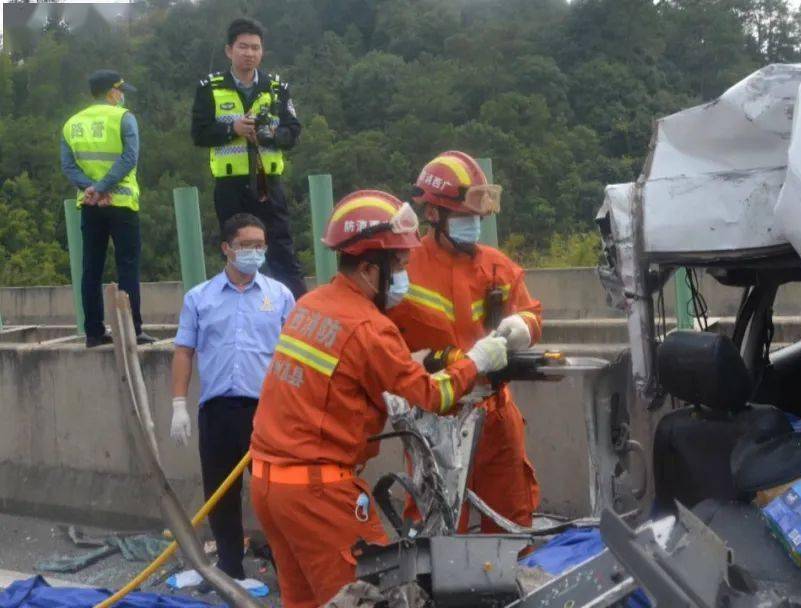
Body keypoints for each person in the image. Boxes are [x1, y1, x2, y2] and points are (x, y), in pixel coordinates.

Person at [249, 190, 509, 608]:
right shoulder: (371, 327)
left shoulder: (311, 305)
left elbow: (343, 373)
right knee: (376, 597)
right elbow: (433, 396)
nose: (406, 275)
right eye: (400, 266)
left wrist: (406, 363)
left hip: (269, 486)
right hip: (320, 494)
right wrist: (477, 360)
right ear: (370, 269)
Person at [387, 151, 542, 532]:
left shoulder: (495, 264)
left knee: (510, 510)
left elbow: (531, 312)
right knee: (433, 515)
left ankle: (512, 583)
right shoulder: (405, 269)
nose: (473, 225)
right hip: (437, 412)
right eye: (464, 218)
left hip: (495, 410)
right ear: (434, 215)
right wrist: (434, 361)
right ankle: (430, 587)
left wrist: (522, 326)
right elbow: (385, 344)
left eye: (476, 219)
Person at [169, 213, 294, 586]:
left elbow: (293, 355)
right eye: (246, 245)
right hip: (219, 409)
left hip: (267, 410)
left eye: (260, 245)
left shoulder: (280, 295)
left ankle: (288, 567)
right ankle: (229, 567)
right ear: (227, 248)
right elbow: (184, 351)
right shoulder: (200, 298)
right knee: (220, 492)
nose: (254, 252)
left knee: (276, 492)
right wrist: (179, 405)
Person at [190, 17, 307, 299]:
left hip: (268, 183)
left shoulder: (276, 87)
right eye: (243, 47)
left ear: (262, 51)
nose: (250, 53)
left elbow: (293, 132)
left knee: (281, 248)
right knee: (237, 252)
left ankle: (298, 313)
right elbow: (199, 134)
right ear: (229, 50)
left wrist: (269, 135)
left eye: (255, 48)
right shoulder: (210, 88)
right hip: (230, 184)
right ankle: (240, 309)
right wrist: (233, 129)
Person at [60, 69, 156, 347]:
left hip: (89, 204)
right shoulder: (124, 118)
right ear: (112, 92)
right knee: (127, 266)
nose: (122, 96)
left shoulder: (71, 124)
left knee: (91, 268)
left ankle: (93, 331)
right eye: (120, 90)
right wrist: (103, 188)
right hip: (122, 202)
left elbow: (68, 166)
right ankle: (133, 330)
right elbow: (129, 158)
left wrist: (91, 188)